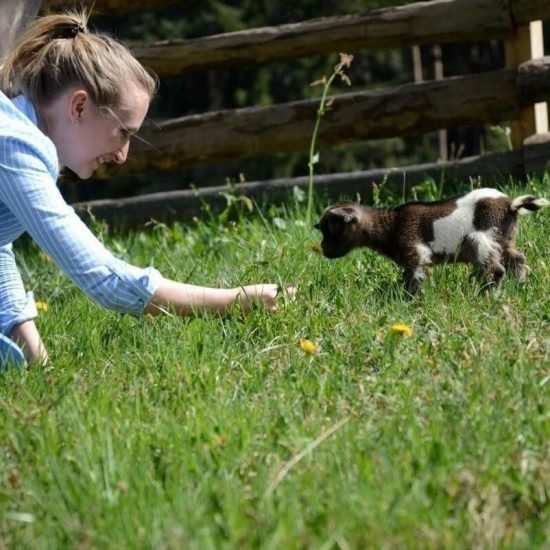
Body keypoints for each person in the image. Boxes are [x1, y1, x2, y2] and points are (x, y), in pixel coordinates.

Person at [0, 11, 295, 369]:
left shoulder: (15, 134)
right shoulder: (16, 144)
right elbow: (105, 280)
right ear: (79, 106)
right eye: (123, 132)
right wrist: (233, 301)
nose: (123, 155)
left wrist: (37, 362)